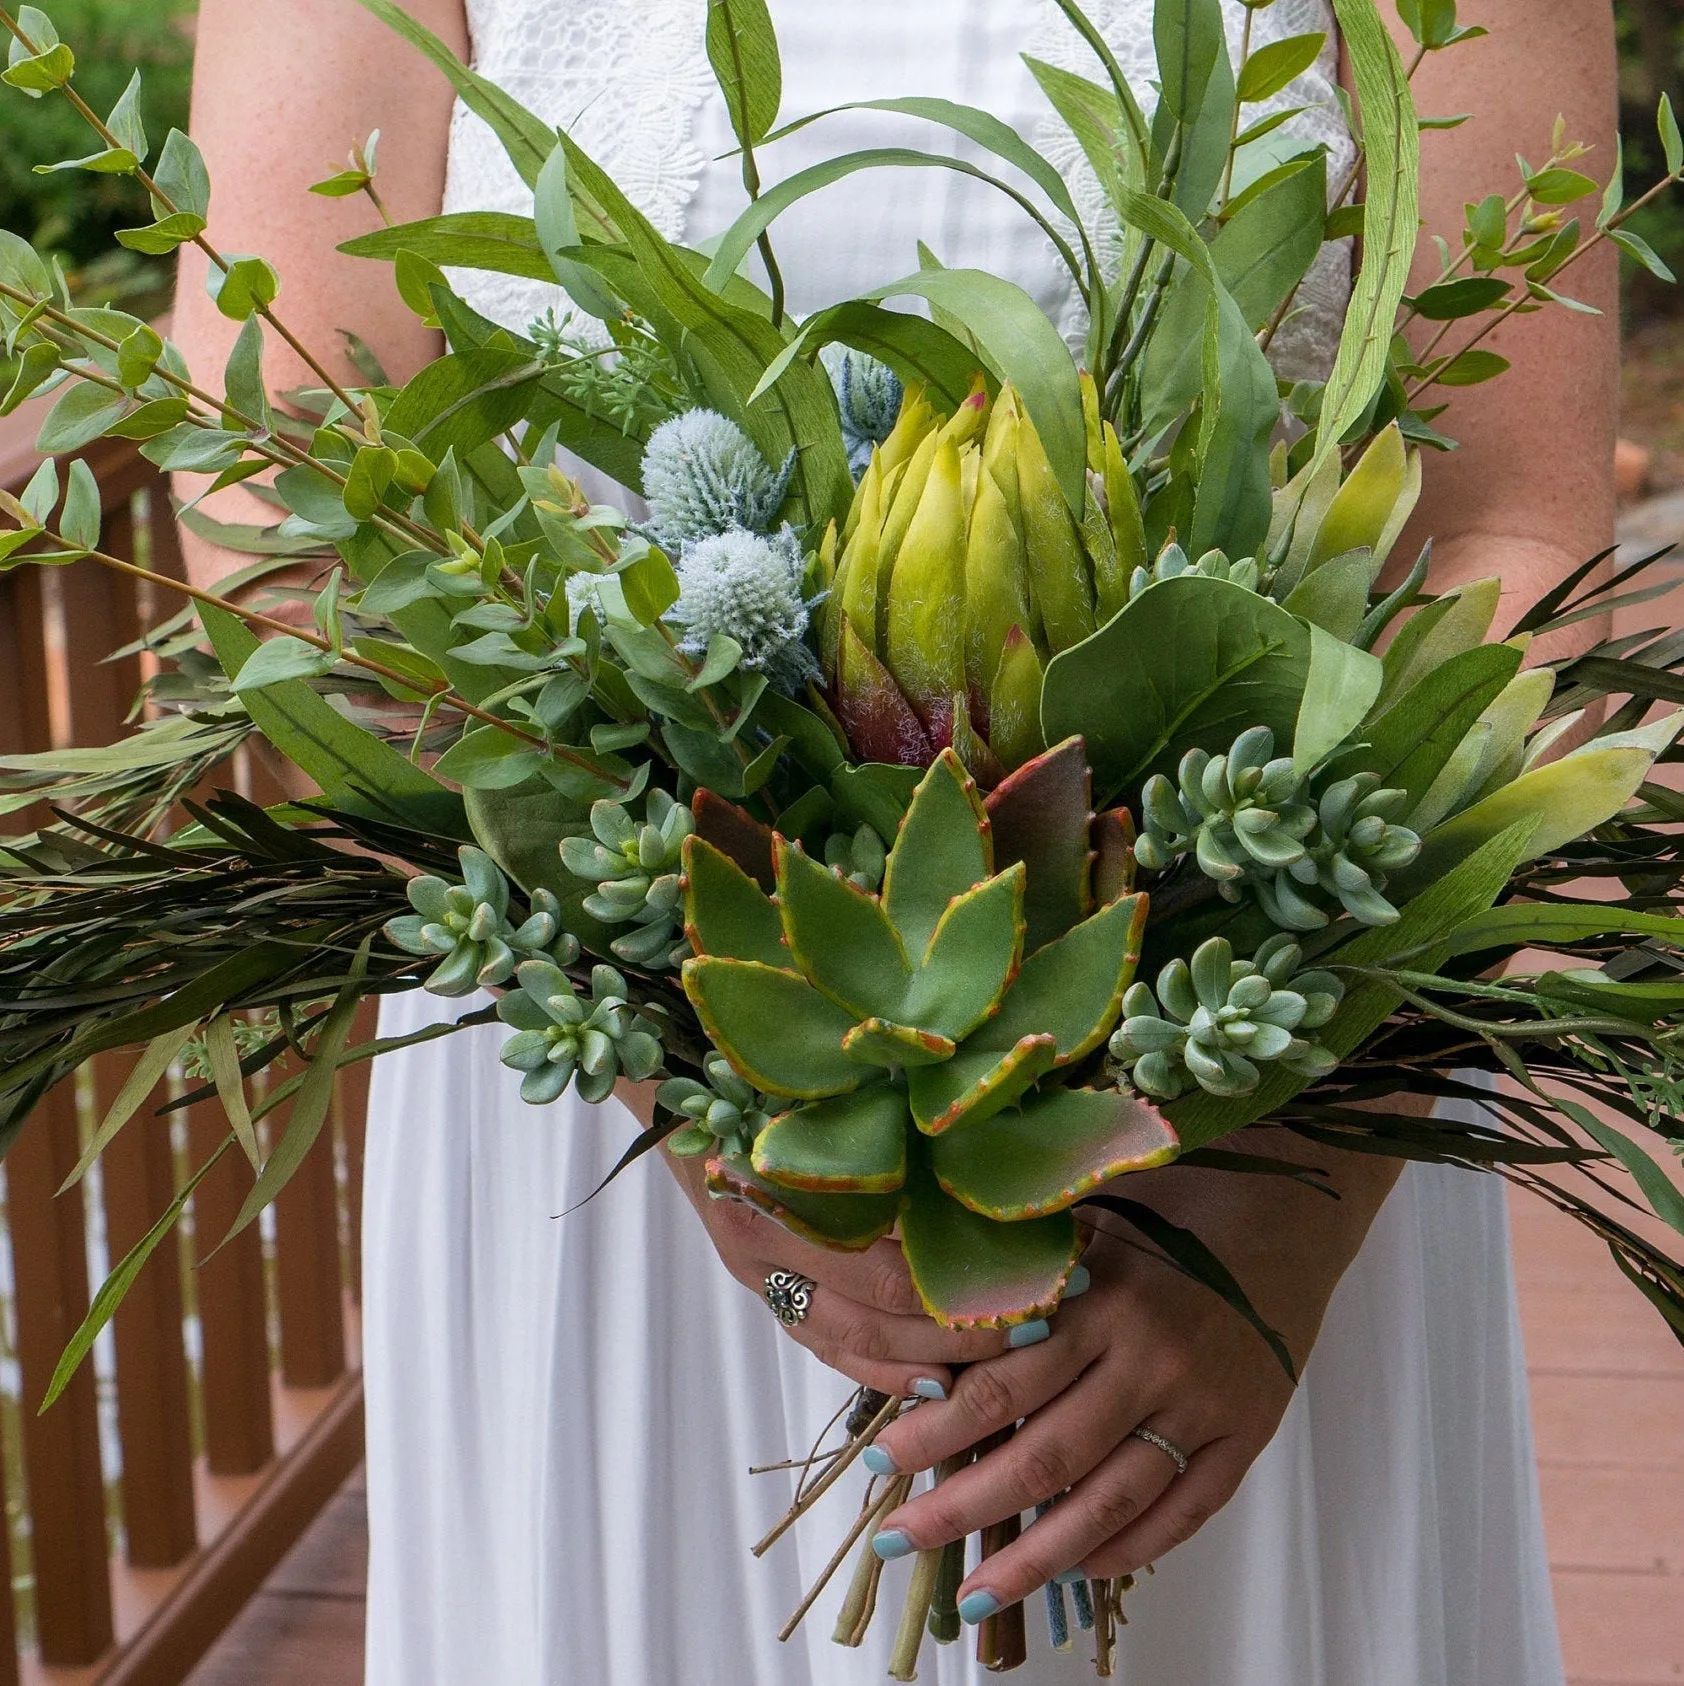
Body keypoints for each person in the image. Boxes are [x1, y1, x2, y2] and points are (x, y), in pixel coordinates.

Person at [174, 2, 1616, 1680]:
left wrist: (1278, 1215)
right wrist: (709, 1091)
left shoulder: (1266, 1186)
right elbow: (285, 498)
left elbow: (1510, 527)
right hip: (615, 1130)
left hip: (1257, 1089)